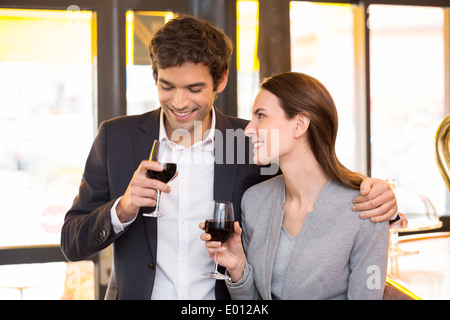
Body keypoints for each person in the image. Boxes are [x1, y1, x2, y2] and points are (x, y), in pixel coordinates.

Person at [61, 15, 396, 300]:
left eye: (194, 89)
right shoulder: (117, 139)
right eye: (167, 87)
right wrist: (124, 207)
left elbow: (311, 172)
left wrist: (372, 191)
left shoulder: (246, 141)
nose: (178, 102)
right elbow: (72, 242)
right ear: (155, 77)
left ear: (220, 81)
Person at [201, 72, 389, 300]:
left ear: (299, 124)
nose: (248, 129)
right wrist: (238, 268)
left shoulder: (365, 209)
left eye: (261, 116)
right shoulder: (255, 200)